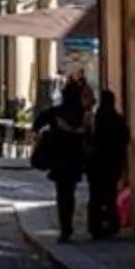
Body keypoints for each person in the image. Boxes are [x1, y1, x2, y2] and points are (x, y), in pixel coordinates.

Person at [33, 76, 91, 241]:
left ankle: (65, 228)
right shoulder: (82, 114)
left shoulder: (56, 112)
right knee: (70, 194)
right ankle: (68, 226)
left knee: (62, 194)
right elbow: (90, 135)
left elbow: (37, 123)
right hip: (74, 160)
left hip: (59, 160)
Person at [87, 84, 131, 240]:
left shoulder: (96, 120)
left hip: (96, 165)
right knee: (110, 195)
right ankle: (111, 224)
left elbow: (90, 140)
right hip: (113, 163)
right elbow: (125, 139)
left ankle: (95, 226)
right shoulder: (118, 120)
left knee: (96, 197)